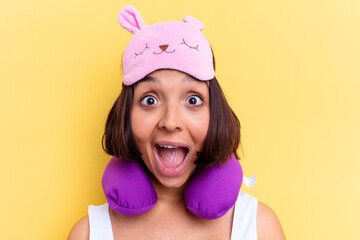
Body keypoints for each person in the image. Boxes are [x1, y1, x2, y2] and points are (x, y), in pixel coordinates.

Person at [68, 5, 285, 240]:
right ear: (126, 116)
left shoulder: (259, 228)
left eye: (193, 100)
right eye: (149, 100)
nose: (170, 122)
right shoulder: (88, 233)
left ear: (215, 114)